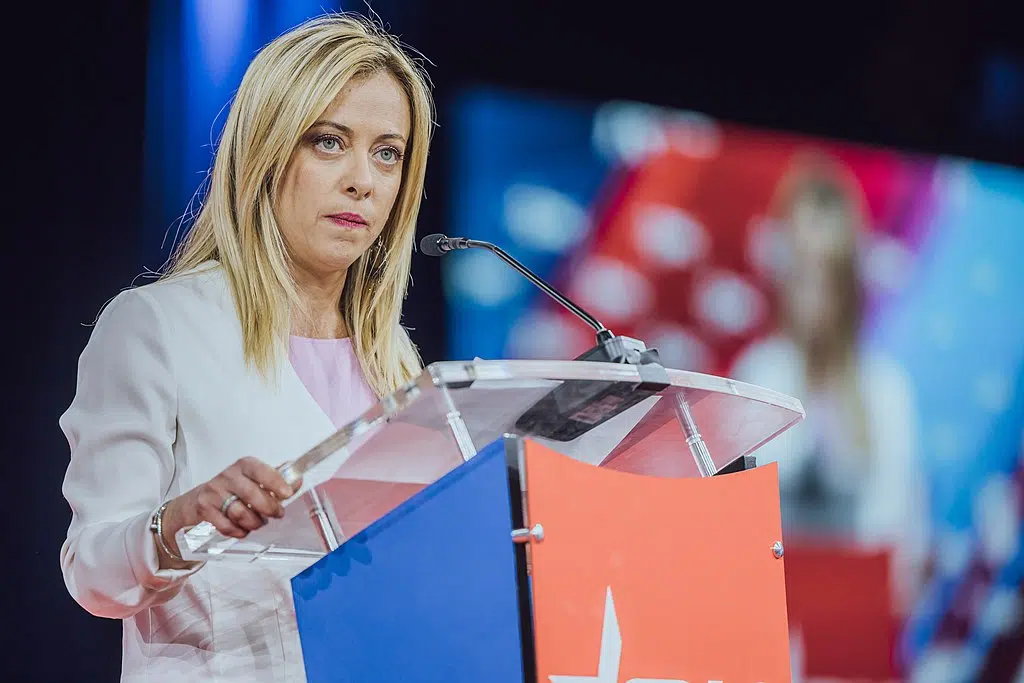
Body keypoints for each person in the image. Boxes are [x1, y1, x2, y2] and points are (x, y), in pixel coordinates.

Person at [58, 13, 434, 682]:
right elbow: (91, 572)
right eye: (328, 142)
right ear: (265, 150)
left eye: (387, 152)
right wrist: (176, 523)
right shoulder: (156, 326)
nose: (363, 180)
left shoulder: (399, 363)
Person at [730, 150, 929, 615]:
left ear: (848, 276)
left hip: (854, 622)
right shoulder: (757, 373)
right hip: (769, 614)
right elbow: (734, 524)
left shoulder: (884, 389)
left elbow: (901, 541)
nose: (814, 291)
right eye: (802, 268)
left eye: (827, 271)